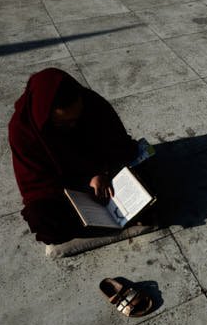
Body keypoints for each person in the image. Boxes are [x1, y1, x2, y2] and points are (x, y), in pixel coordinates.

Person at [8, 68, 142, 245]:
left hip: (102, 174)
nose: (72, 126)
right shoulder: (22, 130)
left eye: (76, 119)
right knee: (45, 220)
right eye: (63, 123)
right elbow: (36, 184)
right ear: (45, 118)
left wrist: (101, 172)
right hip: (63, 188)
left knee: (146, 174)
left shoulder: (93, 104)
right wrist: (79, 187)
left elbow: (118, 145)